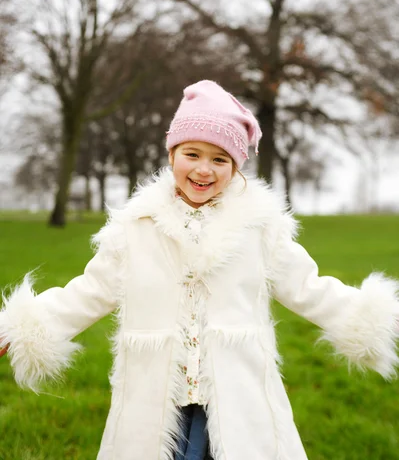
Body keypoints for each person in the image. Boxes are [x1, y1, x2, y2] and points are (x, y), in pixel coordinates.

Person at [0, 79, 398, 460]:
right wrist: (24, 327)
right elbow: (87, 291)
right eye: (192, 154)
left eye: (219, 159)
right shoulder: (135, 229)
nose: (204, 170)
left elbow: (309, 287)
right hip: (156, 399)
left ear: (236, 167)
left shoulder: (258, 230)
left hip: (236, 397)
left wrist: (372, 319)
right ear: (172, 155)